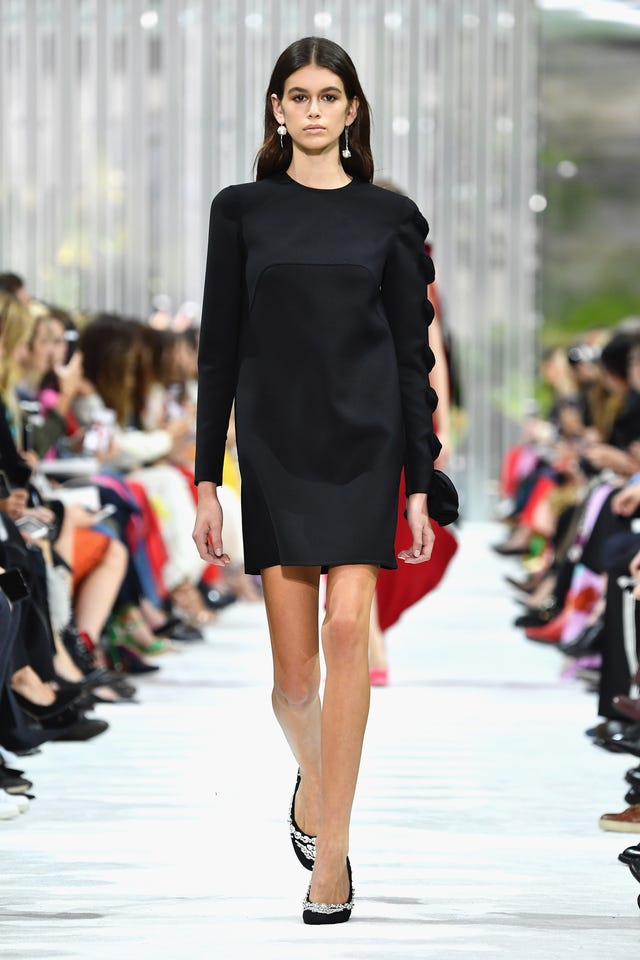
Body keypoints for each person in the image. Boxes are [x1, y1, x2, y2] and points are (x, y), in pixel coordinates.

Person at [192, 36, 444, 924]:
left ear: (351, 110)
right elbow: (217, 351)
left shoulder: (392, 218)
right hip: (275, 448)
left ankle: (330, 858)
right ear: (277, 109)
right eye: (297, 95)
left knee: (348, 633)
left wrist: (420, 482)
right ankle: (314, 782)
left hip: (367, 446)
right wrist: (205, 480)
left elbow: (412, 360)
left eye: (328, 96)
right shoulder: (240, 212)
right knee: (294, 681)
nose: (312, 109)